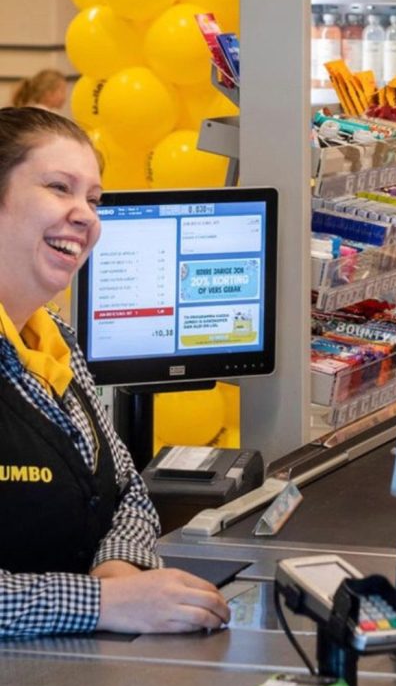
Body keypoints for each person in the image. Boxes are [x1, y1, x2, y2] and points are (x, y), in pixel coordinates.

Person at [0, 107, 230, 637]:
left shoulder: (56, 340)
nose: (85, 215)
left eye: (94, 199)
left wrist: (119, 570)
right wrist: (102, 602)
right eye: (60, 187)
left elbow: (125, 487)